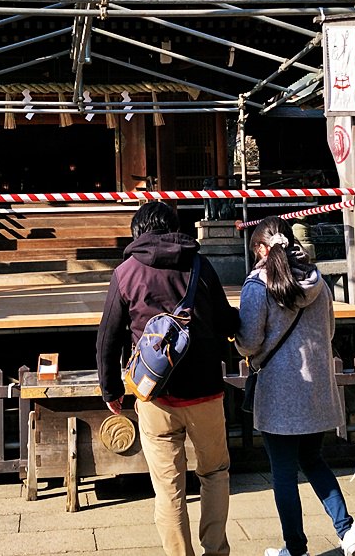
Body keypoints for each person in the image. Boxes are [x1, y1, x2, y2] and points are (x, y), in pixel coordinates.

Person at [96, 200, 239, 556]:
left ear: (137, 231)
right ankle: (217, 549)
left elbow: (108, 337)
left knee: (168, 486)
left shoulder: (126, 272)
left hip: (156, 395)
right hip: (206, 390)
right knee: (215, 473)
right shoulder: (200, 265)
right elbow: (225, 321)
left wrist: (111, 389)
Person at [235, 216, 355, 556]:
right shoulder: (316, 280)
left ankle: (295, 548)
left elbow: (249, 341)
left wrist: (238, 344)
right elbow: (330, 329)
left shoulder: (256, 285)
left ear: (262, 248)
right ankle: (348, 533)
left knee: (283, 473)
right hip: (316, 389)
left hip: (279, 392)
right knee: (314, 460)